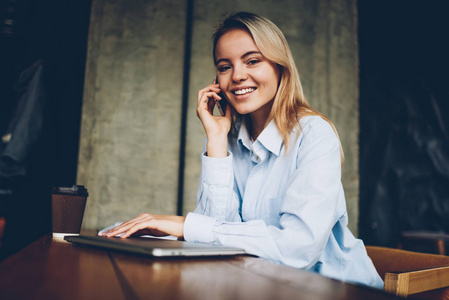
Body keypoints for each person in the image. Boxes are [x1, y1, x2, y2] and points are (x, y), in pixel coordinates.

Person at [103, 12, 383, 288]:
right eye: (224, 66)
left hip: (335, 289)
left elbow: (297, 250)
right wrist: (216, 140)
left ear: (280, 67)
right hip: (262, 286)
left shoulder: (314, 135)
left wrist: (185, 226)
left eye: (252, 61)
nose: (237, 75)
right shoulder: (226, 137)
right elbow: (215, 241)